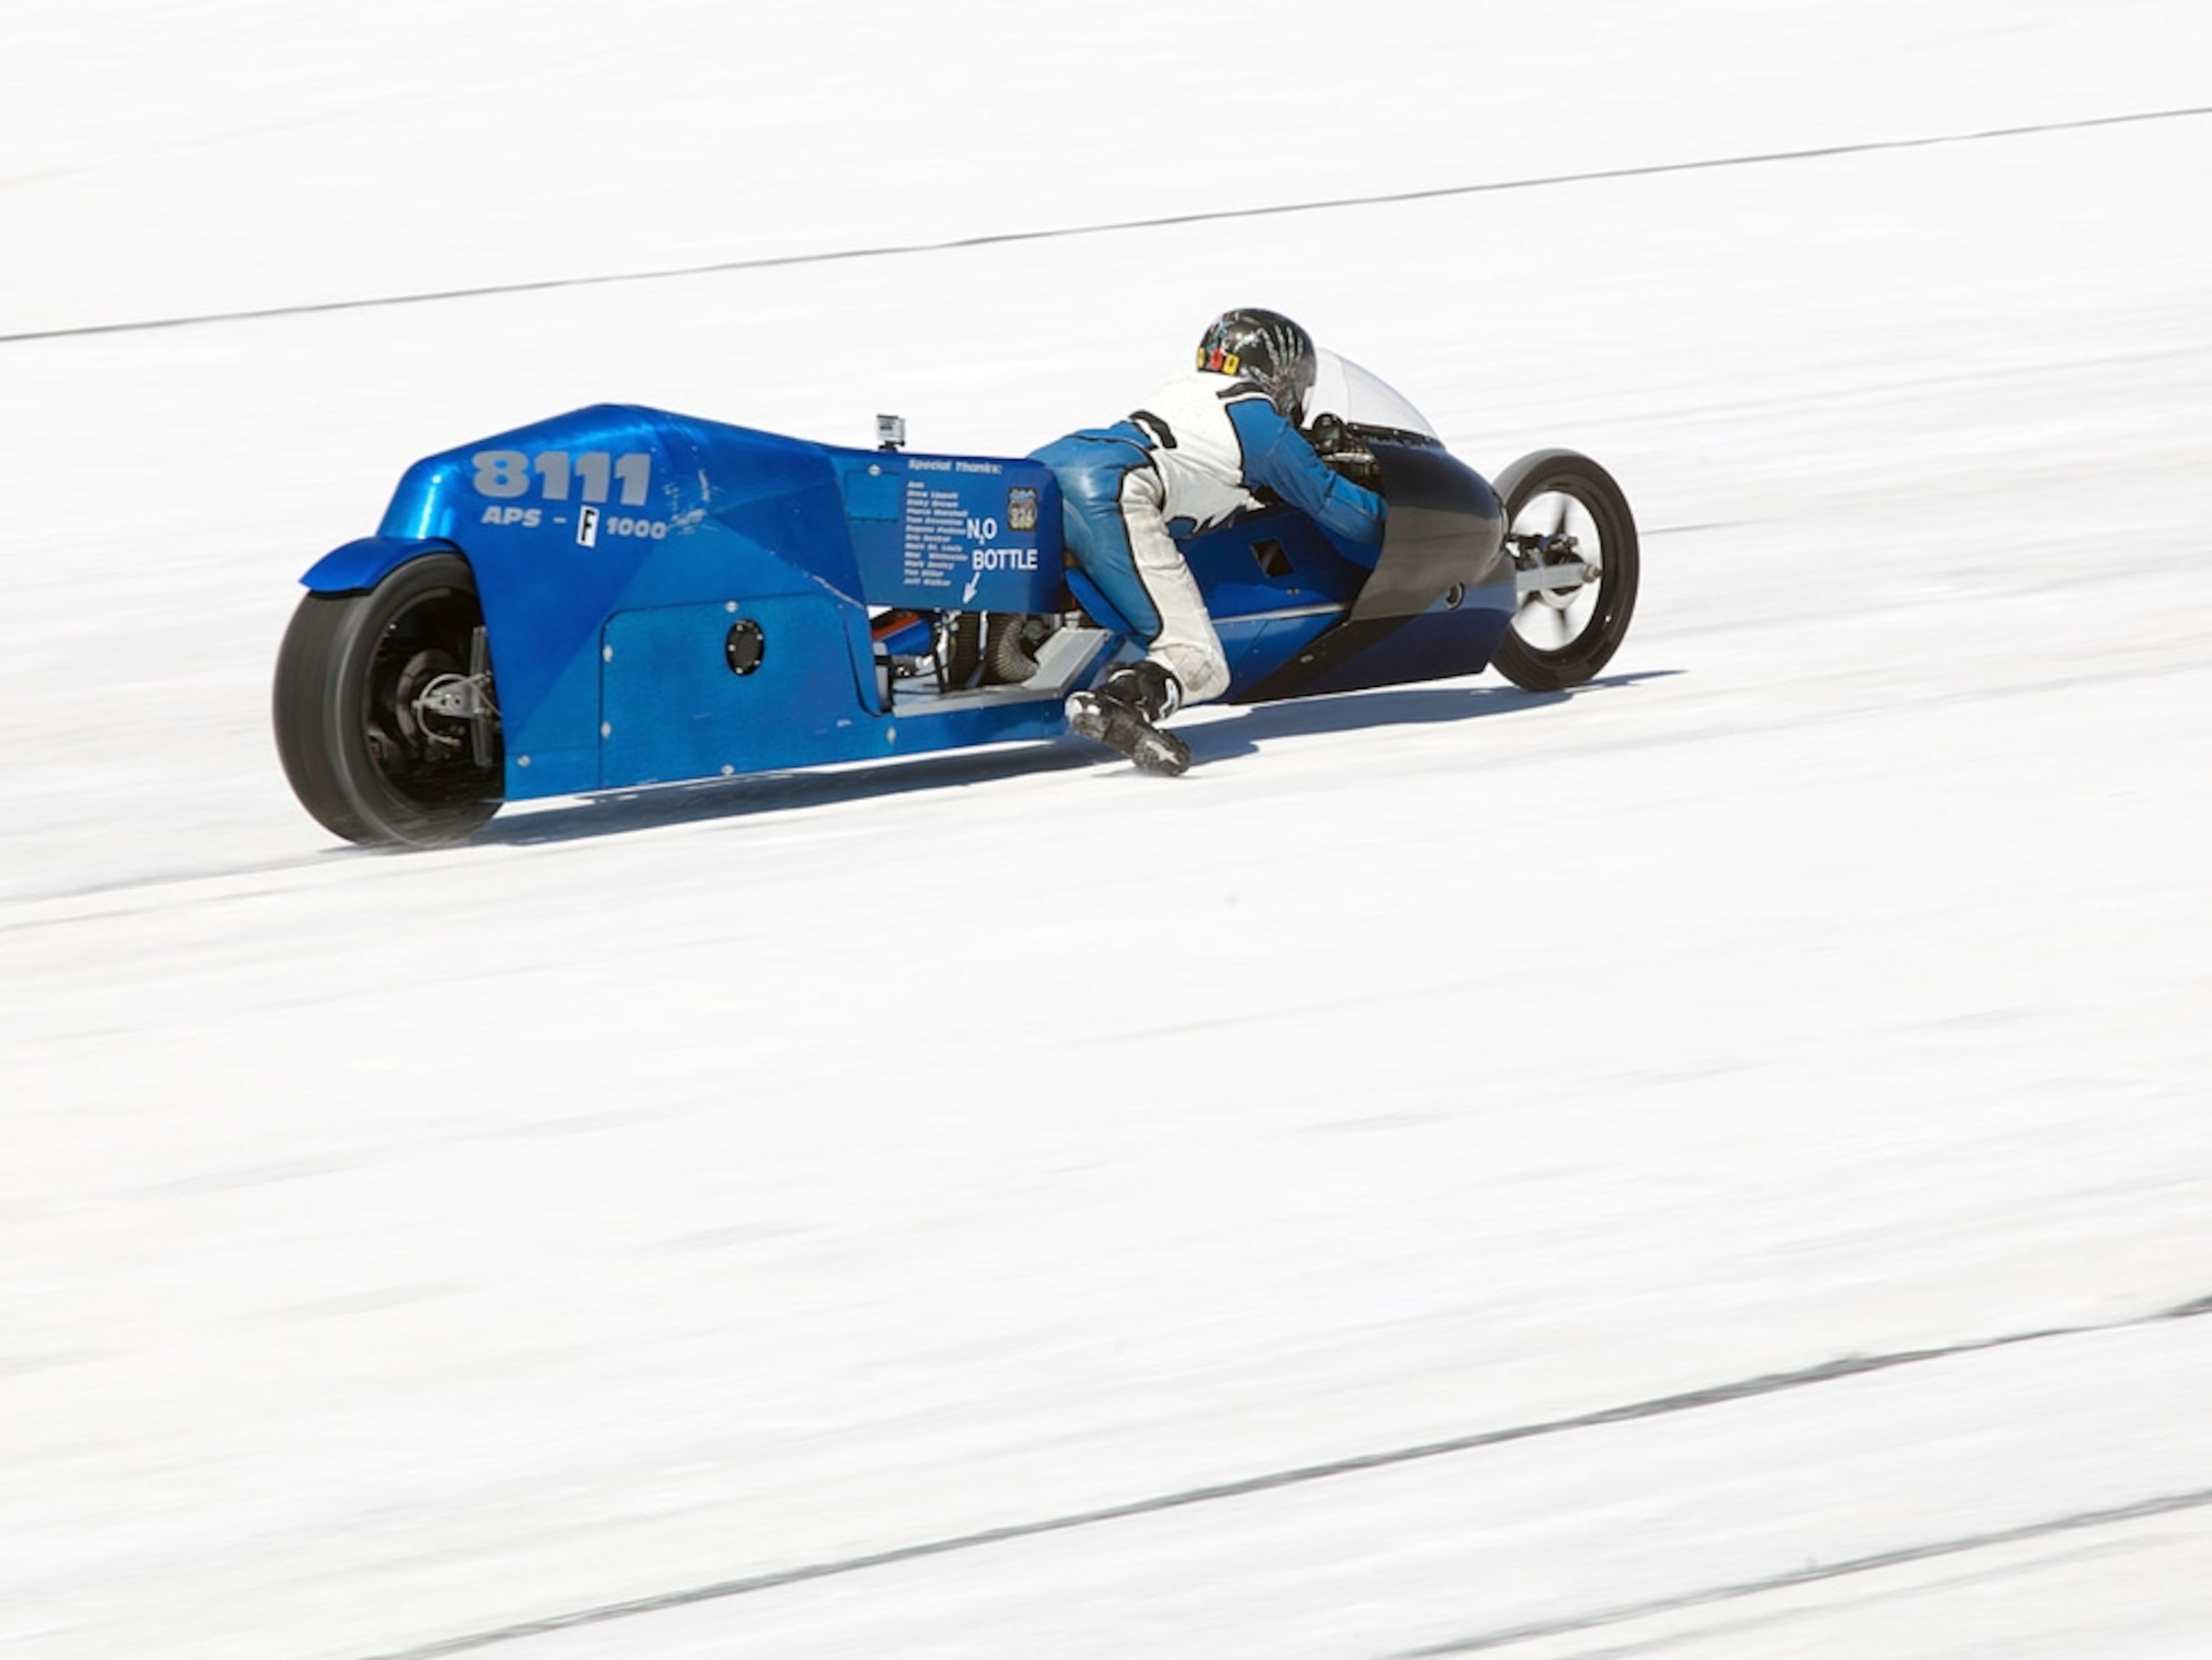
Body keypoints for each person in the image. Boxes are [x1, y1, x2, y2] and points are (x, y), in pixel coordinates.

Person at [1031, 308, 1387, 775]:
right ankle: (1115, 704)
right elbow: (1341, 510)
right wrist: (1404, 513)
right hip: (1114, 489)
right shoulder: (1258, 421)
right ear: (1277, 373)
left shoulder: (1185, 394)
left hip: (1050, 468)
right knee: (1198, 658)